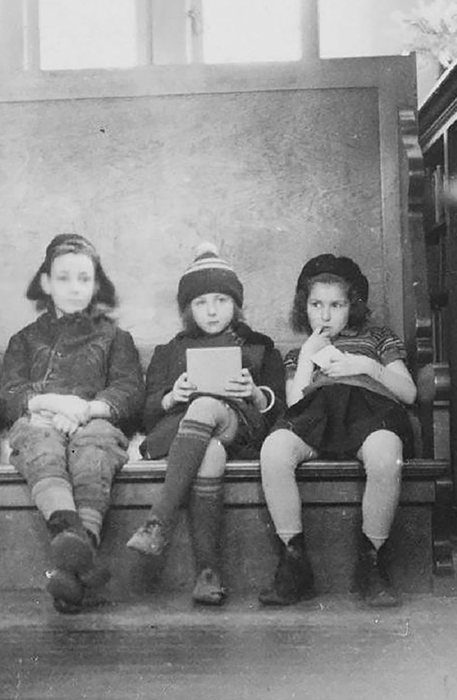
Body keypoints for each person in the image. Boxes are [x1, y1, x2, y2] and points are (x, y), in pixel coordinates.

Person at [125, 244, 285, 605]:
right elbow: (148, 414)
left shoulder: (259, 347)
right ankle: (207, 573)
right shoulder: (171, 351)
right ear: (187, 309)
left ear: (236, 304)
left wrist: (256, 394)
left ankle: (159, 522)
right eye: (200, 302)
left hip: (243, 429)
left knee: (208, 405)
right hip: (194, 438)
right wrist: (172, 397)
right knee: (210, 452)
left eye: (221, 300)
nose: (211, 311)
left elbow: (282, 408)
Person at [259, 254, 417, 608]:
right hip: (315, 419)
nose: (325, 315)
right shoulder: (300, 351)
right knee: (274, 450)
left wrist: (366, 366)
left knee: (385, 454)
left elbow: (409, 392)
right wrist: (306, 359)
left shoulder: (377, 339)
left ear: (354, 306)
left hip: (370, 417)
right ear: (305, 306)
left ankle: (372, 561)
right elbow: (295, 404)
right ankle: (294, 561)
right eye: (316, 304)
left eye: (337, 304)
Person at [0, 233, 143, 614]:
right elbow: (9, 393)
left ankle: (73, 559)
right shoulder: (24, 340)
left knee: (93, 449)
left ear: (96, 283)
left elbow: (129, 391)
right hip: (41, 420)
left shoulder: (115, 338)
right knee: (41, 444)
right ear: (46, 282)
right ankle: (80, 547)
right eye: (63, 278)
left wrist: (87, 409)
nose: (74, 288)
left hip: (93, 421)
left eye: (84, 278)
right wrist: (48, 401)